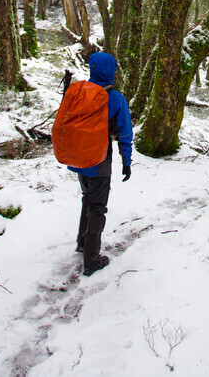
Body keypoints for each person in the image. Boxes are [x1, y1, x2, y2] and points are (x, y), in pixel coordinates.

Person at [69, 52, 133, 276]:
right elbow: (124, 133)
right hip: (99, 160)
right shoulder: (115, 98)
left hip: (78, 158)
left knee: (87, 198)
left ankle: (82, 242)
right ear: (112, 70)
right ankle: (92, 259)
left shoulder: (78, 90)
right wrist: (127, 161)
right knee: (97, 207)